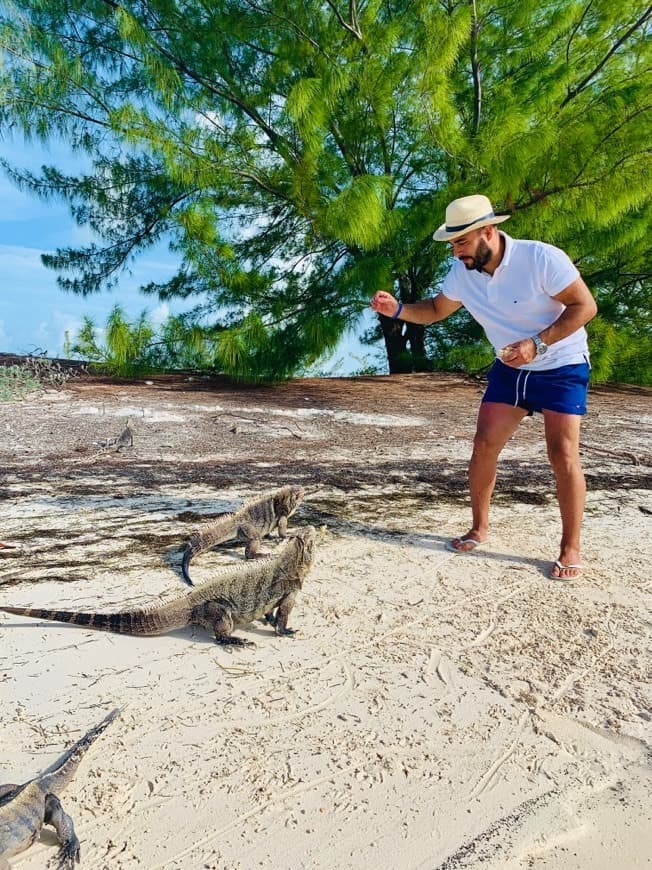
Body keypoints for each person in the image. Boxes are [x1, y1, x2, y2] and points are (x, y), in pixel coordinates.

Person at [370, 194, 598, 580]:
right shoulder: (464, 273)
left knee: (562, 454)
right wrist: (397, 310)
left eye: (460, 242)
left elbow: (585, 306)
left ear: (488, 232)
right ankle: (479, 527)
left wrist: (537, 344)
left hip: (562, 364)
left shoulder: (540, 258)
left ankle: (570, 547)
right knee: (484, 444)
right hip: (509, 370)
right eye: (452, 243)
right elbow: (437, 310)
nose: (455, 251)